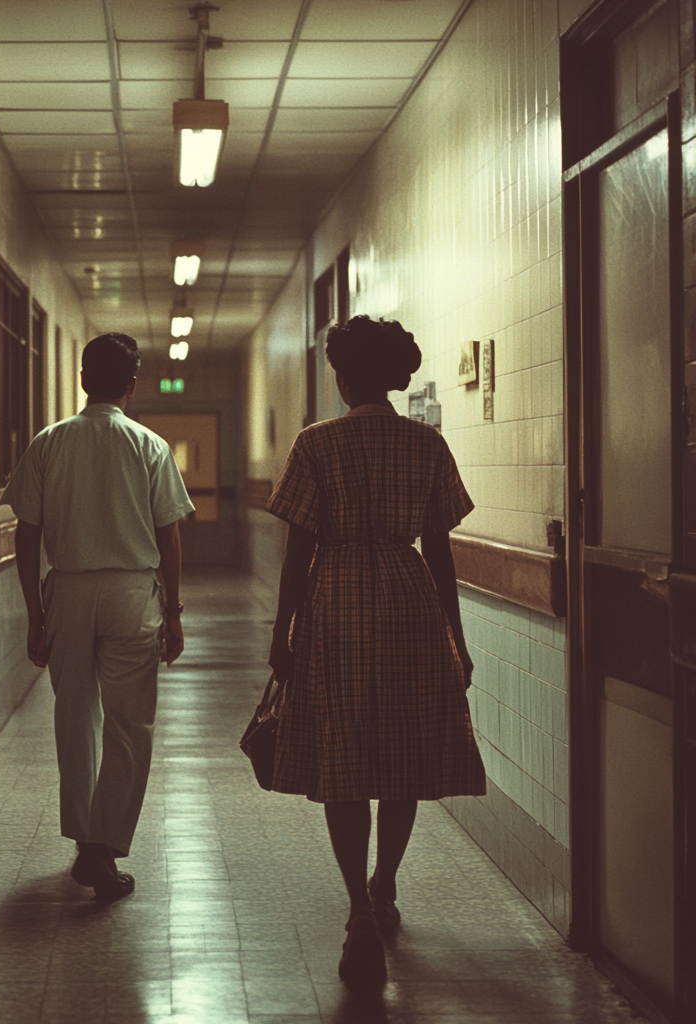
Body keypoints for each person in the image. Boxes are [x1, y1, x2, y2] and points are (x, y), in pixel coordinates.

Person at [265, 315, 486, 992]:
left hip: (336, 601)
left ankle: (359, 910)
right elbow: (441, 549)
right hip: (409, 598)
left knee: (345, 756)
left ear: (344, 375)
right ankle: (385, 882)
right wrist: (456, 635)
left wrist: (282, 633)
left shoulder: (316, 443)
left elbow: (299, 548)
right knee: (400, 753)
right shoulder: (426, 443)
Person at [3, 332, 194, 902]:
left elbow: (27, 534)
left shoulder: (49, 443)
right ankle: (102, 848)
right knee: (129, 725)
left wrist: (35, 615)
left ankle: (85, 839)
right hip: (132, 593)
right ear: (132, 385)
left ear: (83, 379)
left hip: (68, 590)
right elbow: (170, 535)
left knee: (75, 717)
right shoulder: (150, 446)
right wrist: (175, 611)